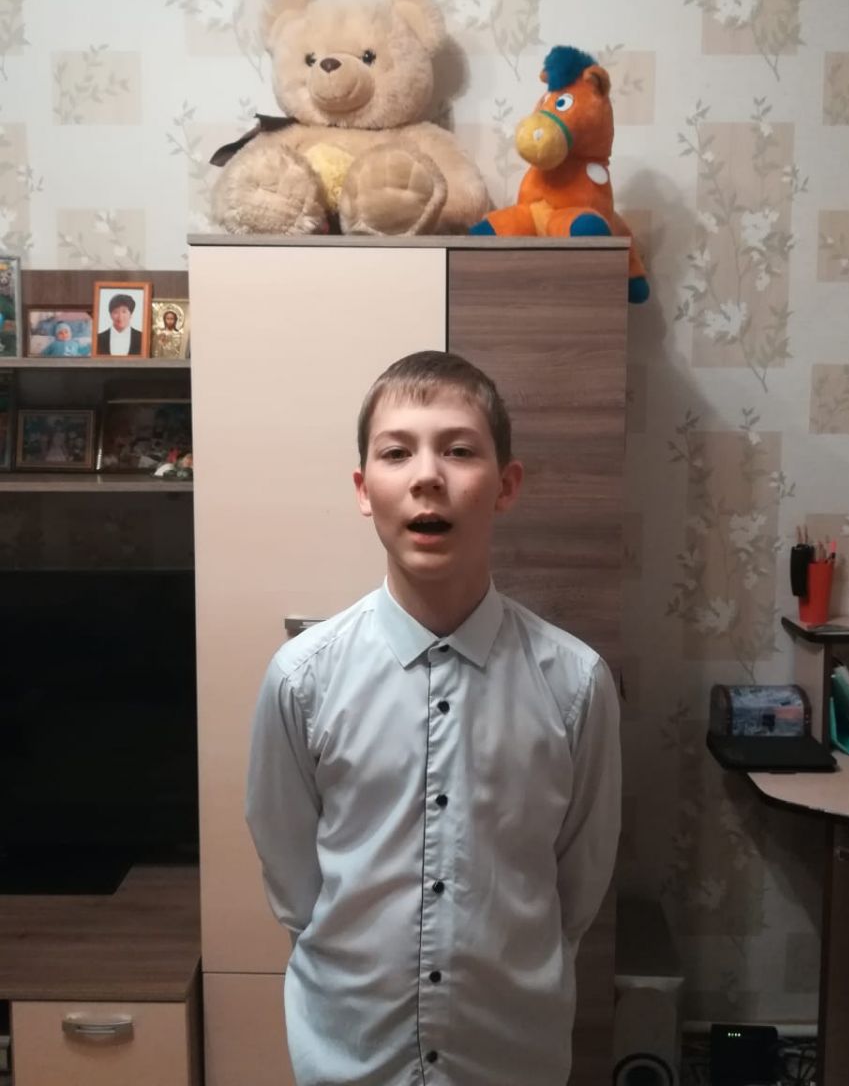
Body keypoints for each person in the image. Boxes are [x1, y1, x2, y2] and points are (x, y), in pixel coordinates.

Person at [246, 350, 621, 1086]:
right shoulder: (303, 680)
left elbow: (576, 887)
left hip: (511, 1059)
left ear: (505, 485)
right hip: (349, 1058)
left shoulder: (575, 684)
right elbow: (294, 882)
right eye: (396, 453)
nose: (427, 476)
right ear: (364, 489)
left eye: (458, 450)